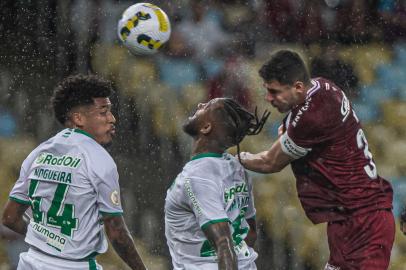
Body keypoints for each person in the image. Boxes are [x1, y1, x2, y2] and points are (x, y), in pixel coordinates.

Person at [240, 50, 394, 270]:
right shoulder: (322, 86)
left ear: (298, 87)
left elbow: (270, 162)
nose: (269, 98)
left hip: (364, 222)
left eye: (274, 92)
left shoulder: (312, 115)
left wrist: (234, 159)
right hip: (349, 217)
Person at [2, 74, 147, 270]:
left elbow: (9, 218)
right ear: (79, 118)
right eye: (103, 112)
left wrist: (47, 239)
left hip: (32, 262)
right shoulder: (99, 159)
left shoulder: (38, 153)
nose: (112, 119)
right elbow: (116, 230)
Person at [164, 97, 269, 270]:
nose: (199, 105)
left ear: (206, 127)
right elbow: (250, 233)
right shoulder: (238, 168)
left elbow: (223, 243)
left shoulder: (197, 176)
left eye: (205, 107)